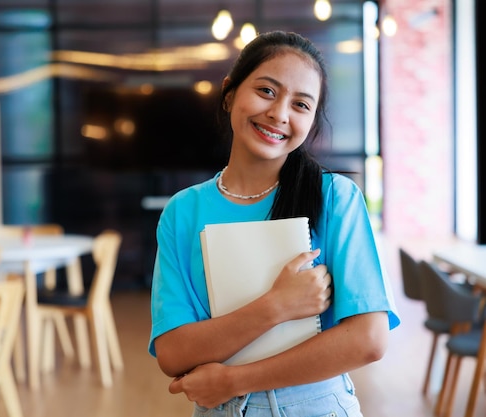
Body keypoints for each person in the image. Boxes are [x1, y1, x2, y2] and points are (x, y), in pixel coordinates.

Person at [148, 30, 400, 417]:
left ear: (312, 120)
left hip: (314, 405)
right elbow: (173, 351)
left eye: (301, 104)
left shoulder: (334, 198)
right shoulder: (183, 211)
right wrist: (276, 306)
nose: (280, 114)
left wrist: (234, 380)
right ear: (230, 93)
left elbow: (368, 340)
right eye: (267, 91)